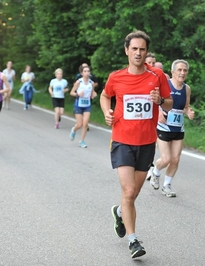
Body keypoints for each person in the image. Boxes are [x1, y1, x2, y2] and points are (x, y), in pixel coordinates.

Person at [100, 30, 173, 259]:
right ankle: (133, 241)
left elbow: (169, 103)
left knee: (133, 193)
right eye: (134, 49)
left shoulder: (157, 76)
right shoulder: (116, 77)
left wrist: (160, 101)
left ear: (146, 51)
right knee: (129, 190)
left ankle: (120, 211)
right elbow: (104, 96)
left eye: (142, 49)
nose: (138, 53)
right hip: (122, 140)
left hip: (146, 142)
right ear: (127, 51)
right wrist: (107, 112)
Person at [149, 59, 195, 197]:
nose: (182, 73)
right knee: (166, 158)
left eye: (185, 70)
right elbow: (154, 102)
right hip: (163, 127)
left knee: (175, 159)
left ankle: (167, 186)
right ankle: (155, 172)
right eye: (179, 70)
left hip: (178, 129)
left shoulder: (187, 89)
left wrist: (189, 112)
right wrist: (158, 115)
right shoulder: (165, 85)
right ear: (173, 71)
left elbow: (185, 107)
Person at [69, 65, 97, 148]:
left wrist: (93, 94)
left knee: (85, 124)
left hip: (87, 105)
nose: (87, 73)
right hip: (78, 105)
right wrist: (77, 94)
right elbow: (71, 92)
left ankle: (82, 141)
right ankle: (74, 130)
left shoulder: (91, 83)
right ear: (81, 73)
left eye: (88, 71)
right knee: (80, 124)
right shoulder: (79, 82)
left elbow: (92, 93)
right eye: (85, 71)